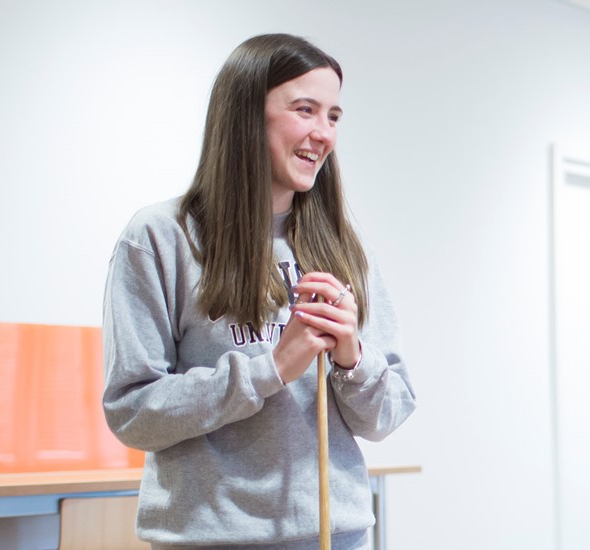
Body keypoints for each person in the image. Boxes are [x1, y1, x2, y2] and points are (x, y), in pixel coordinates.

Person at [101, 33, 416, 549]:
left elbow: (387, 414)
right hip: (208, 537)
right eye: (305, 109)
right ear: (247, 113)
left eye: (334, 116)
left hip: (337, 536)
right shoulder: (162, 238)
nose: (323, 133)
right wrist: (270, 369)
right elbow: (133, 412)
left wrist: (352, 359)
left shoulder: (343, 250)